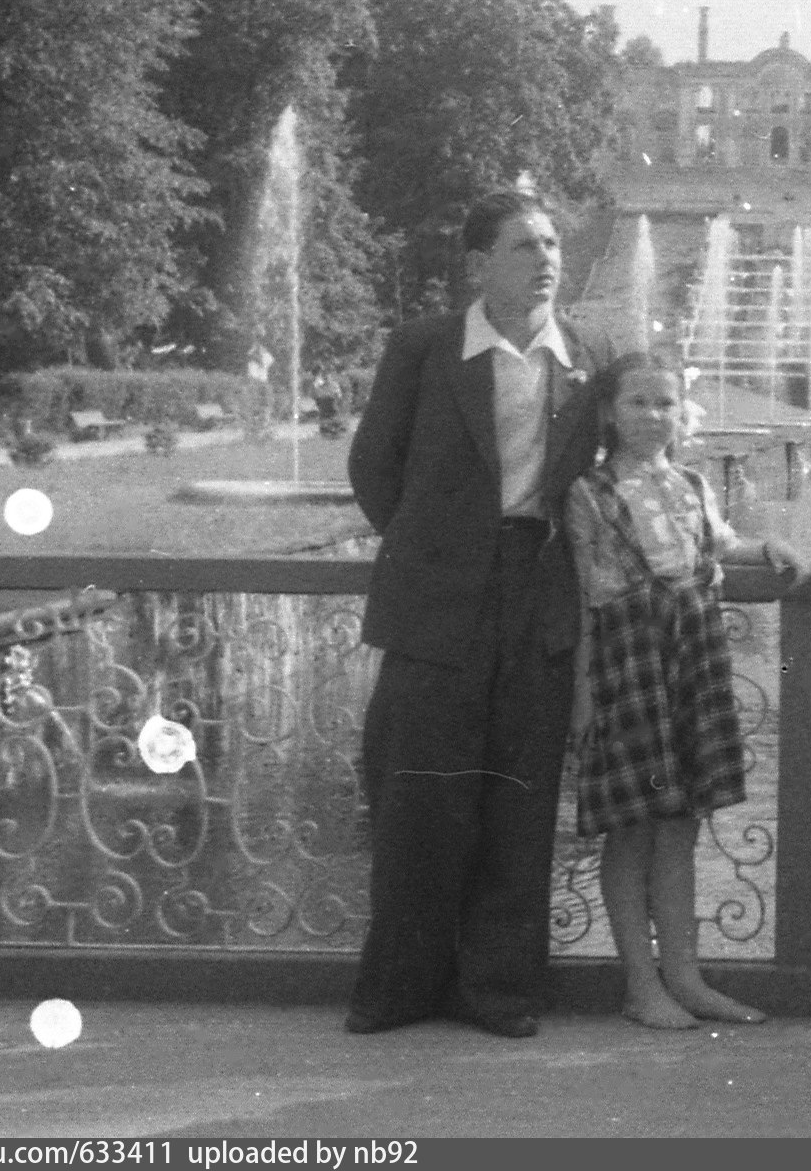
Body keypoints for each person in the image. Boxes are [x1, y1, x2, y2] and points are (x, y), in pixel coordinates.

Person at [344, 191, 614, 1039]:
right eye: (525, 245)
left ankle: (498, 992)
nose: (546, 259)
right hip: (437, 597)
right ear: (478, 264)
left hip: (540, 590)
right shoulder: (424, 347)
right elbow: (373, 467)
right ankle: (401, 989)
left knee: (518, 802)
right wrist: (438, 547)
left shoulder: (588, 354)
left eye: (552, 244)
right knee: (419, 797)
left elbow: (630, 471)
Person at [566, 353, 811, 1028]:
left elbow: (716, 544)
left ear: (682, 413)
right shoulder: (589, 492)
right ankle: (641, 986)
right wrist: (582, 692)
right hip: (628, 662)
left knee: (680, 823)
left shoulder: (692, 483)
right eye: (638, 402)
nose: (653, 416)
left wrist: (767, 547)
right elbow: (581, 599)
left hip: (692, 656)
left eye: (665, 404)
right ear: (609, 412)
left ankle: (686, 977)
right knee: (631, 828)